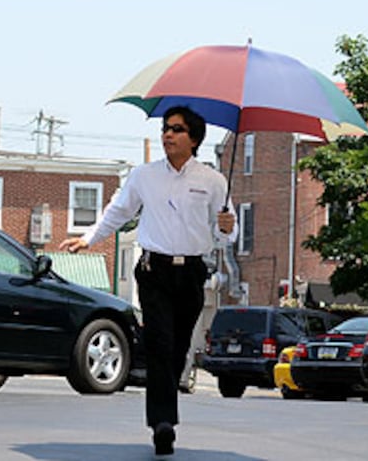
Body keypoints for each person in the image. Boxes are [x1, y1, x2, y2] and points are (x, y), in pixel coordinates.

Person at [59, 106, 237, 456]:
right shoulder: (144, 176)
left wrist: (228, 228)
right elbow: (118, 211)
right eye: (165, 129)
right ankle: (162, 423)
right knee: (158, 343)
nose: (168, 135)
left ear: (195, 139)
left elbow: (225, 235)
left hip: (191, 273)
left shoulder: (213, 181)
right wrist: (89, 238)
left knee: (177, 349)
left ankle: (164, 407)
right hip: (154, 272)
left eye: (177, 130)